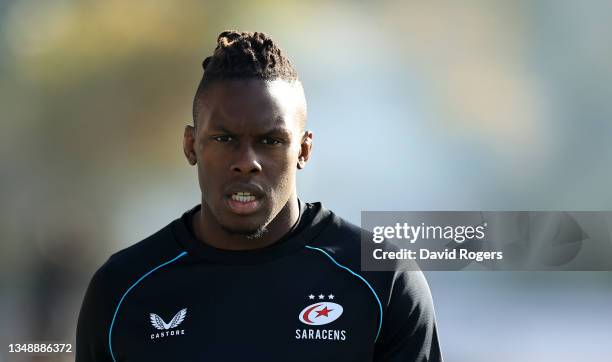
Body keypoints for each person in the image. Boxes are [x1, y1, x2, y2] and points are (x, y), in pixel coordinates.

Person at [76, 30, 443, 362]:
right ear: (191, 145)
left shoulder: (383, 280)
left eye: (271, 141)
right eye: (224, 139)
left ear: (303, 150)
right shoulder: (122, 288)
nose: (246, 162)